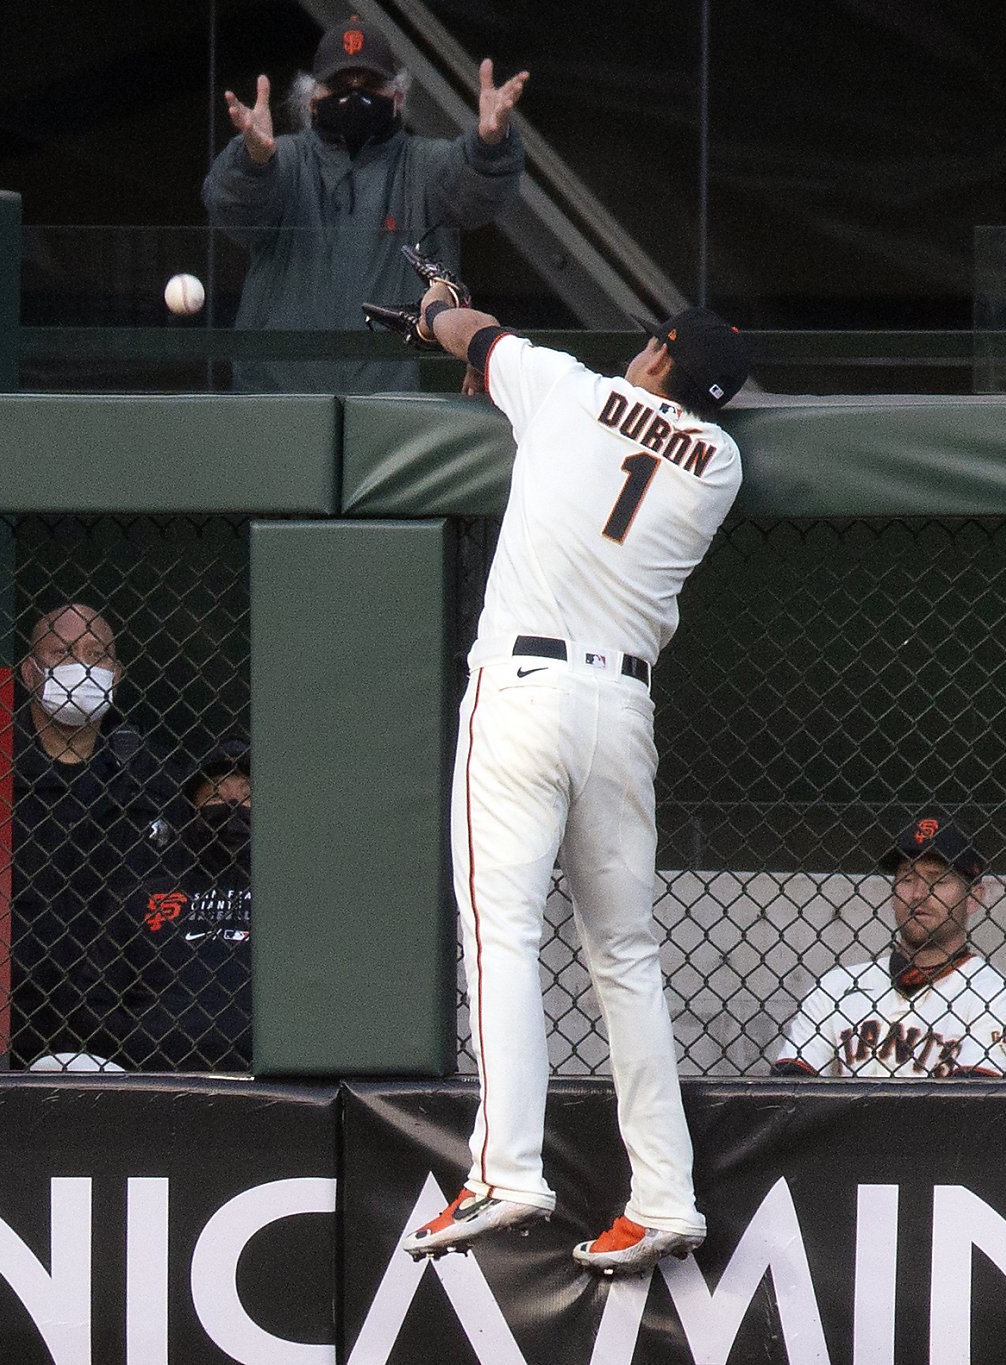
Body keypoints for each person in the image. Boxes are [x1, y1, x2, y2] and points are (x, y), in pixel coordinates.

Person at [396, 285, 751, 1277]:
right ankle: (665, 1195)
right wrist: (481, 349)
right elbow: (611, 423)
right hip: (621, 711)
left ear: (655, 355)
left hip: (524, 688)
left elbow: (479, 338)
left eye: (650, 345)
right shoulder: (718, 463)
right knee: (623, 955)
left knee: (499, 929)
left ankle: (506, 1168)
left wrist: (437, 316)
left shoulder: (568, 388)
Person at [202, 14, 528, 394]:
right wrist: (252, 161)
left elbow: (477, 191)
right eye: (339, 85)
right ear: (312, 101)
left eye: (370, 84)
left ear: (398, 97)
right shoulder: (284, 162)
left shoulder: (423, 164)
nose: (354, 94)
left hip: (402, 403)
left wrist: (489, 145)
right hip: (281, 398)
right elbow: (232, 210)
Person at [9, 603, 182, 1071]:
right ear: (31, 671)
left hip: (121, 1018)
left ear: (117, 672)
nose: (81, 667)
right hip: (6, 1011)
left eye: (95, 654)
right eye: (62, 653)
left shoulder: (152, 774)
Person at [771, 817, 1006, 1079]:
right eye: (907, 878)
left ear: (973, 897)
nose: (918, 894)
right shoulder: (835, 987)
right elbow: (784, 1098)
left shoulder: (1002, 1002)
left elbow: (970, 1115)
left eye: (937, 879)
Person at [80, 740, 254, 1072]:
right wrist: (141, 1045)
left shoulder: (294, 902)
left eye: (248, 795)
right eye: (216, 794)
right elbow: (95, 998)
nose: (233, 804)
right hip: (160, 1076)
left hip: (267, 1079)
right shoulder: (142, 898)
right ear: (191, 808)